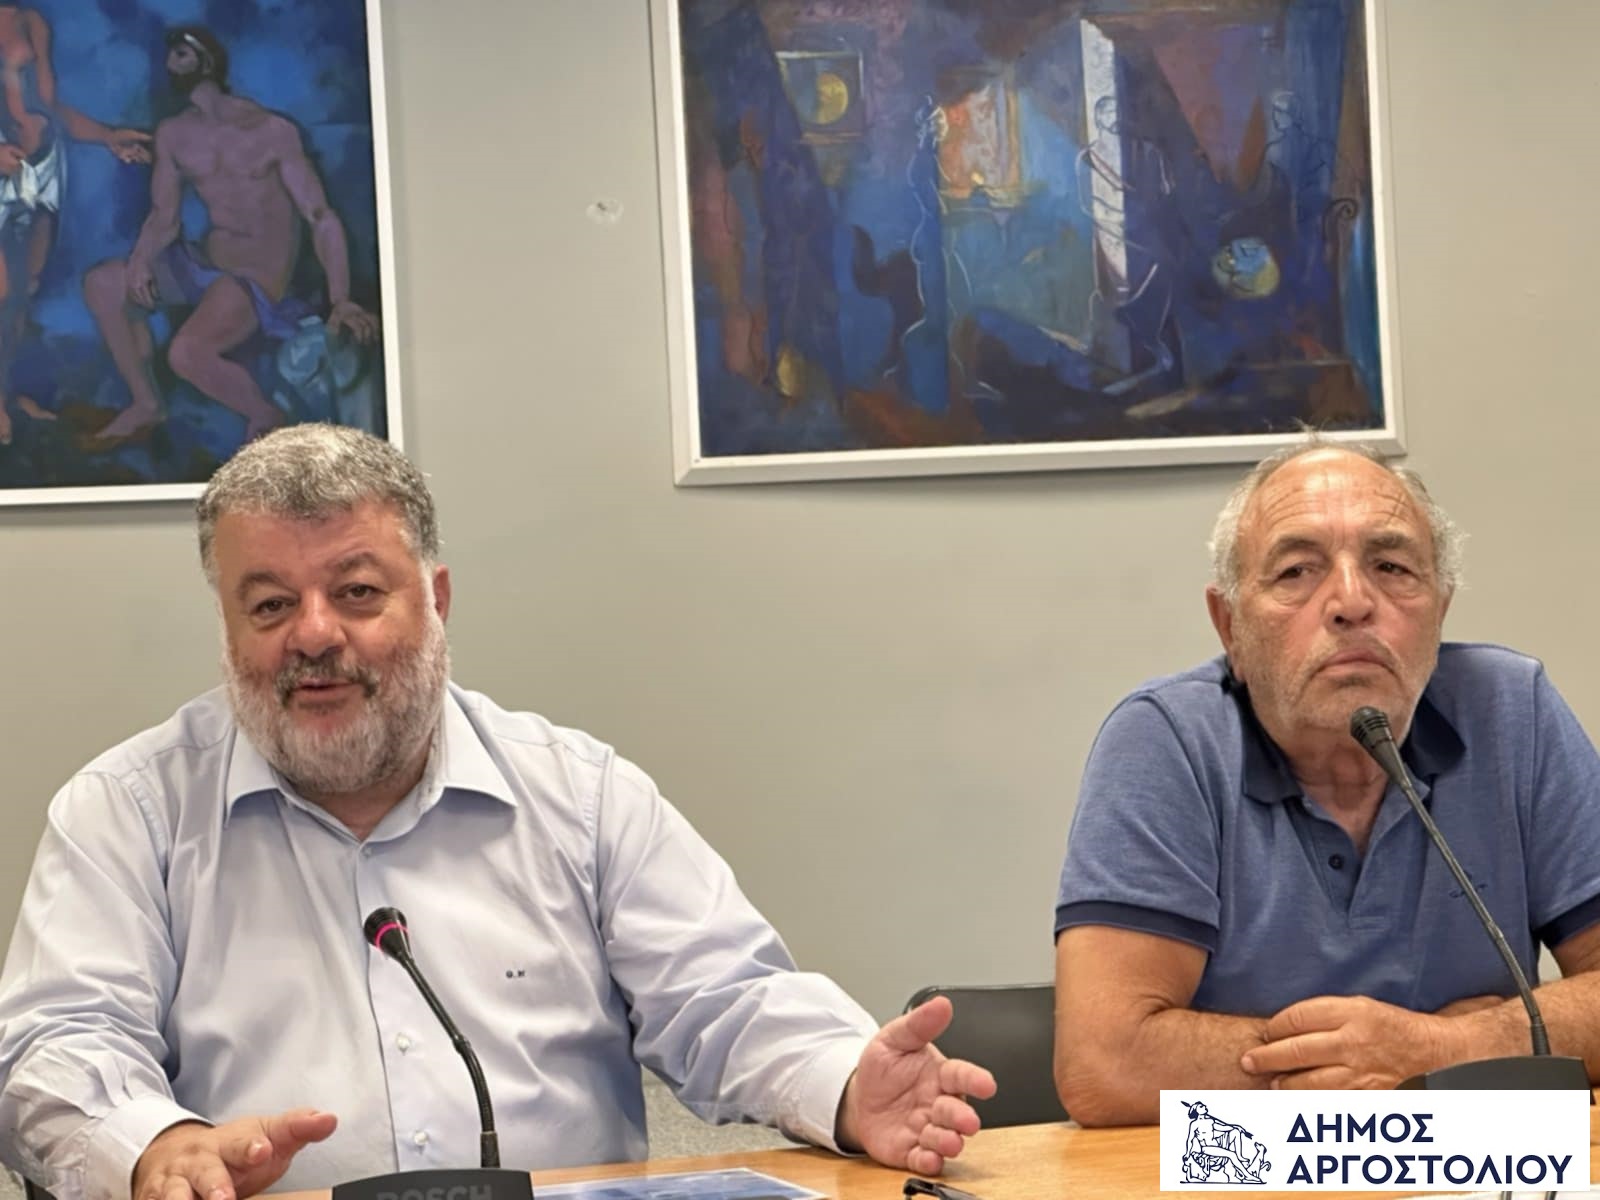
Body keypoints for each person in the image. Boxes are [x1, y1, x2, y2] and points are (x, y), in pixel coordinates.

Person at [0, 424, 996, 1200]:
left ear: (436, 600)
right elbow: (57, 1044)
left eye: (357, 592)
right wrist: (160, 1145)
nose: (313, 634)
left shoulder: (579, 795)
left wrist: (842, 1083)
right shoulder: (129, 812)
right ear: (227, 628)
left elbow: (725, 998)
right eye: (268, 606)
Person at [1053, 438, 1600, 1125]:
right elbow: (1106, 1063)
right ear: (1230, 626)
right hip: (1248, 1168)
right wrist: (1398, 1060)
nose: (1351, 602)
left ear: (1439, 611)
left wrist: (1447, 1046)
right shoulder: (1167, 740)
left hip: (1472, 1166)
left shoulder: (1512, 709)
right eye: (1296, 572)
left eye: (1391, 566)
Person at [83, 27, 379, 447]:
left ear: (207, 61)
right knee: (103, 283)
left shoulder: (272, 130)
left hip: (253, 278)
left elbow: (320, 216)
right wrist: (140, 260)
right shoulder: (173, 133)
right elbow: (165, 216)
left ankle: (265, 414)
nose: (170, 65)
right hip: (203, 262)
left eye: (180, 55)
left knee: (187, 353)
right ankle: (146, 403)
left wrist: (341, 298)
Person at [0, 5, 151, 446]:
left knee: (24, 290)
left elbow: (50, 109)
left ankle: (6, 396)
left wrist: (107, 136)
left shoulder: (31, 22)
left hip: (44, 165)